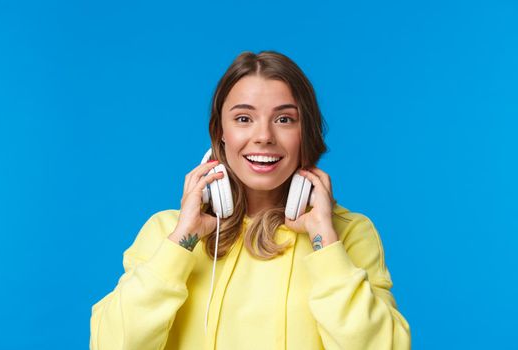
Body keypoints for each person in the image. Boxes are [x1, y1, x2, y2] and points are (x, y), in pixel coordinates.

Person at [89, 50, 411, 350]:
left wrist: (325, 242)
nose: (264, 136)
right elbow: (112, 343)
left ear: (306, 133)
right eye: (244, 119)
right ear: (220, 134)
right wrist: (180, 242)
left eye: (284, 119)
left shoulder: (348, 233)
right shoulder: (167, 231)